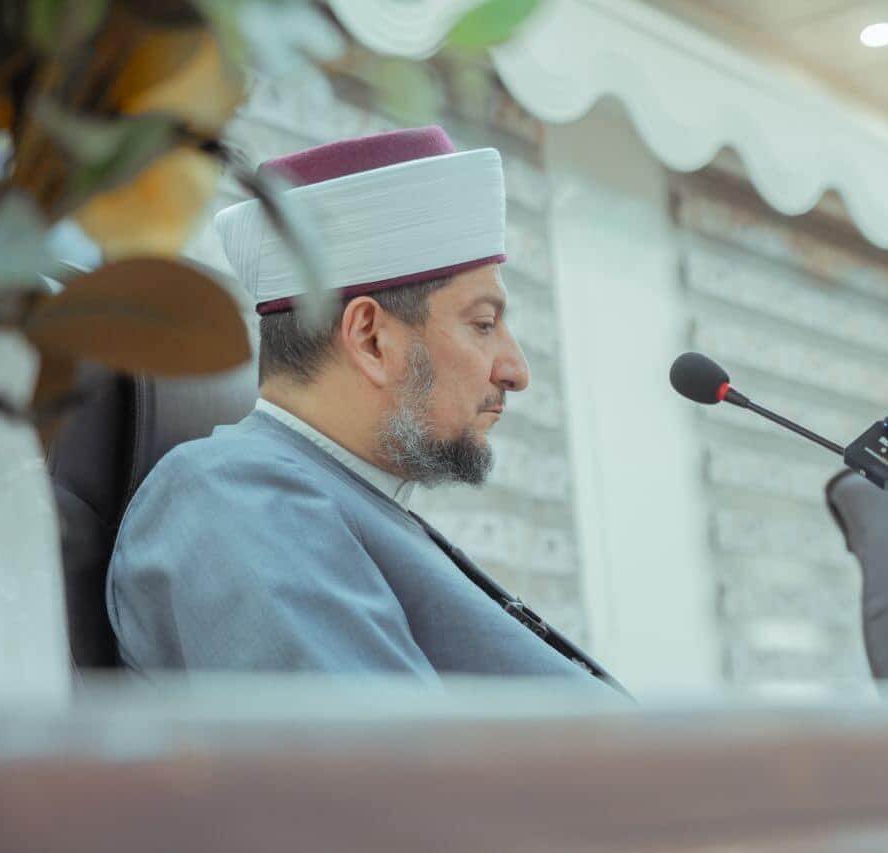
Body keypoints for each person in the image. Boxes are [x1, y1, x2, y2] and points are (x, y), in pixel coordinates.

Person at [106, 127, 620, 690]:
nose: (516, 370)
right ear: (371, 339)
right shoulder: (233, 496)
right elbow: (383, 750)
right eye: (482, 323)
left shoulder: (337, 501)